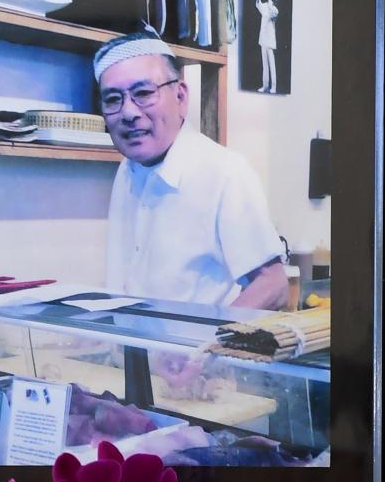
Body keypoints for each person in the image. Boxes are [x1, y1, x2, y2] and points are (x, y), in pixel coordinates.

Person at [95, 29, 289, 311]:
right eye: (113, 99)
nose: (128, 113)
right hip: (131, 352)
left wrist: (204, 344)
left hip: (199, 353)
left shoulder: (224, 172)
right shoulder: (127, 169)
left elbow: (273, 286)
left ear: (181, 97)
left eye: (143, 93)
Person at [251, 0, 279, 93]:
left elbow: (272, 11)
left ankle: (274, 87)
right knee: (265, 65)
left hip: (270, 41)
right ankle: (265, 86)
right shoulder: (264, 9)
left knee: (272, 65)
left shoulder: (274, 11)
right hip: (263, 40)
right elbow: (258, 5)